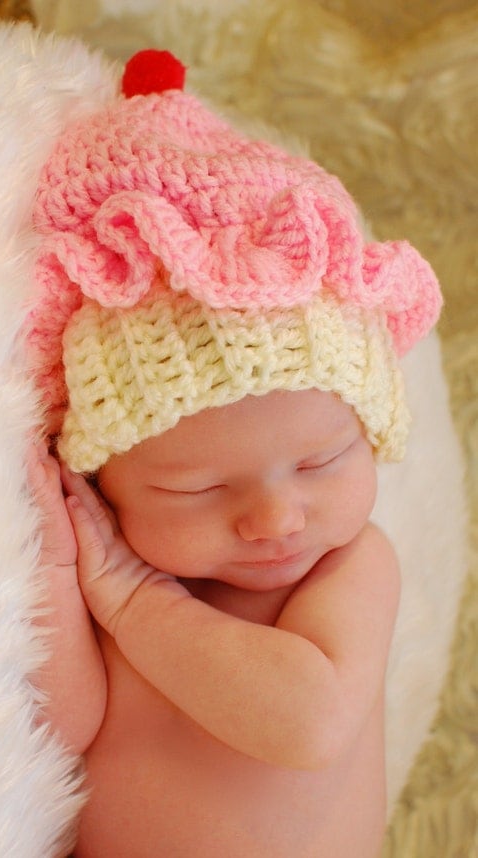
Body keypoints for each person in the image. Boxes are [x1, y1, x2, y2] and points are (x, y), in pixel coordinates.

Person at [25, 49, 442, 858]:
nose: (274, 517)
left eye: (321, 462)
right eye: (196, 487)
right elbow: (58, 728)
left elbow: (306, 720)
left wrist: (135, 602)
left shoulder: (347, 567)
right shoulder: (117, 567)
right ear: (107, 485)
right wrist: (54, 570)